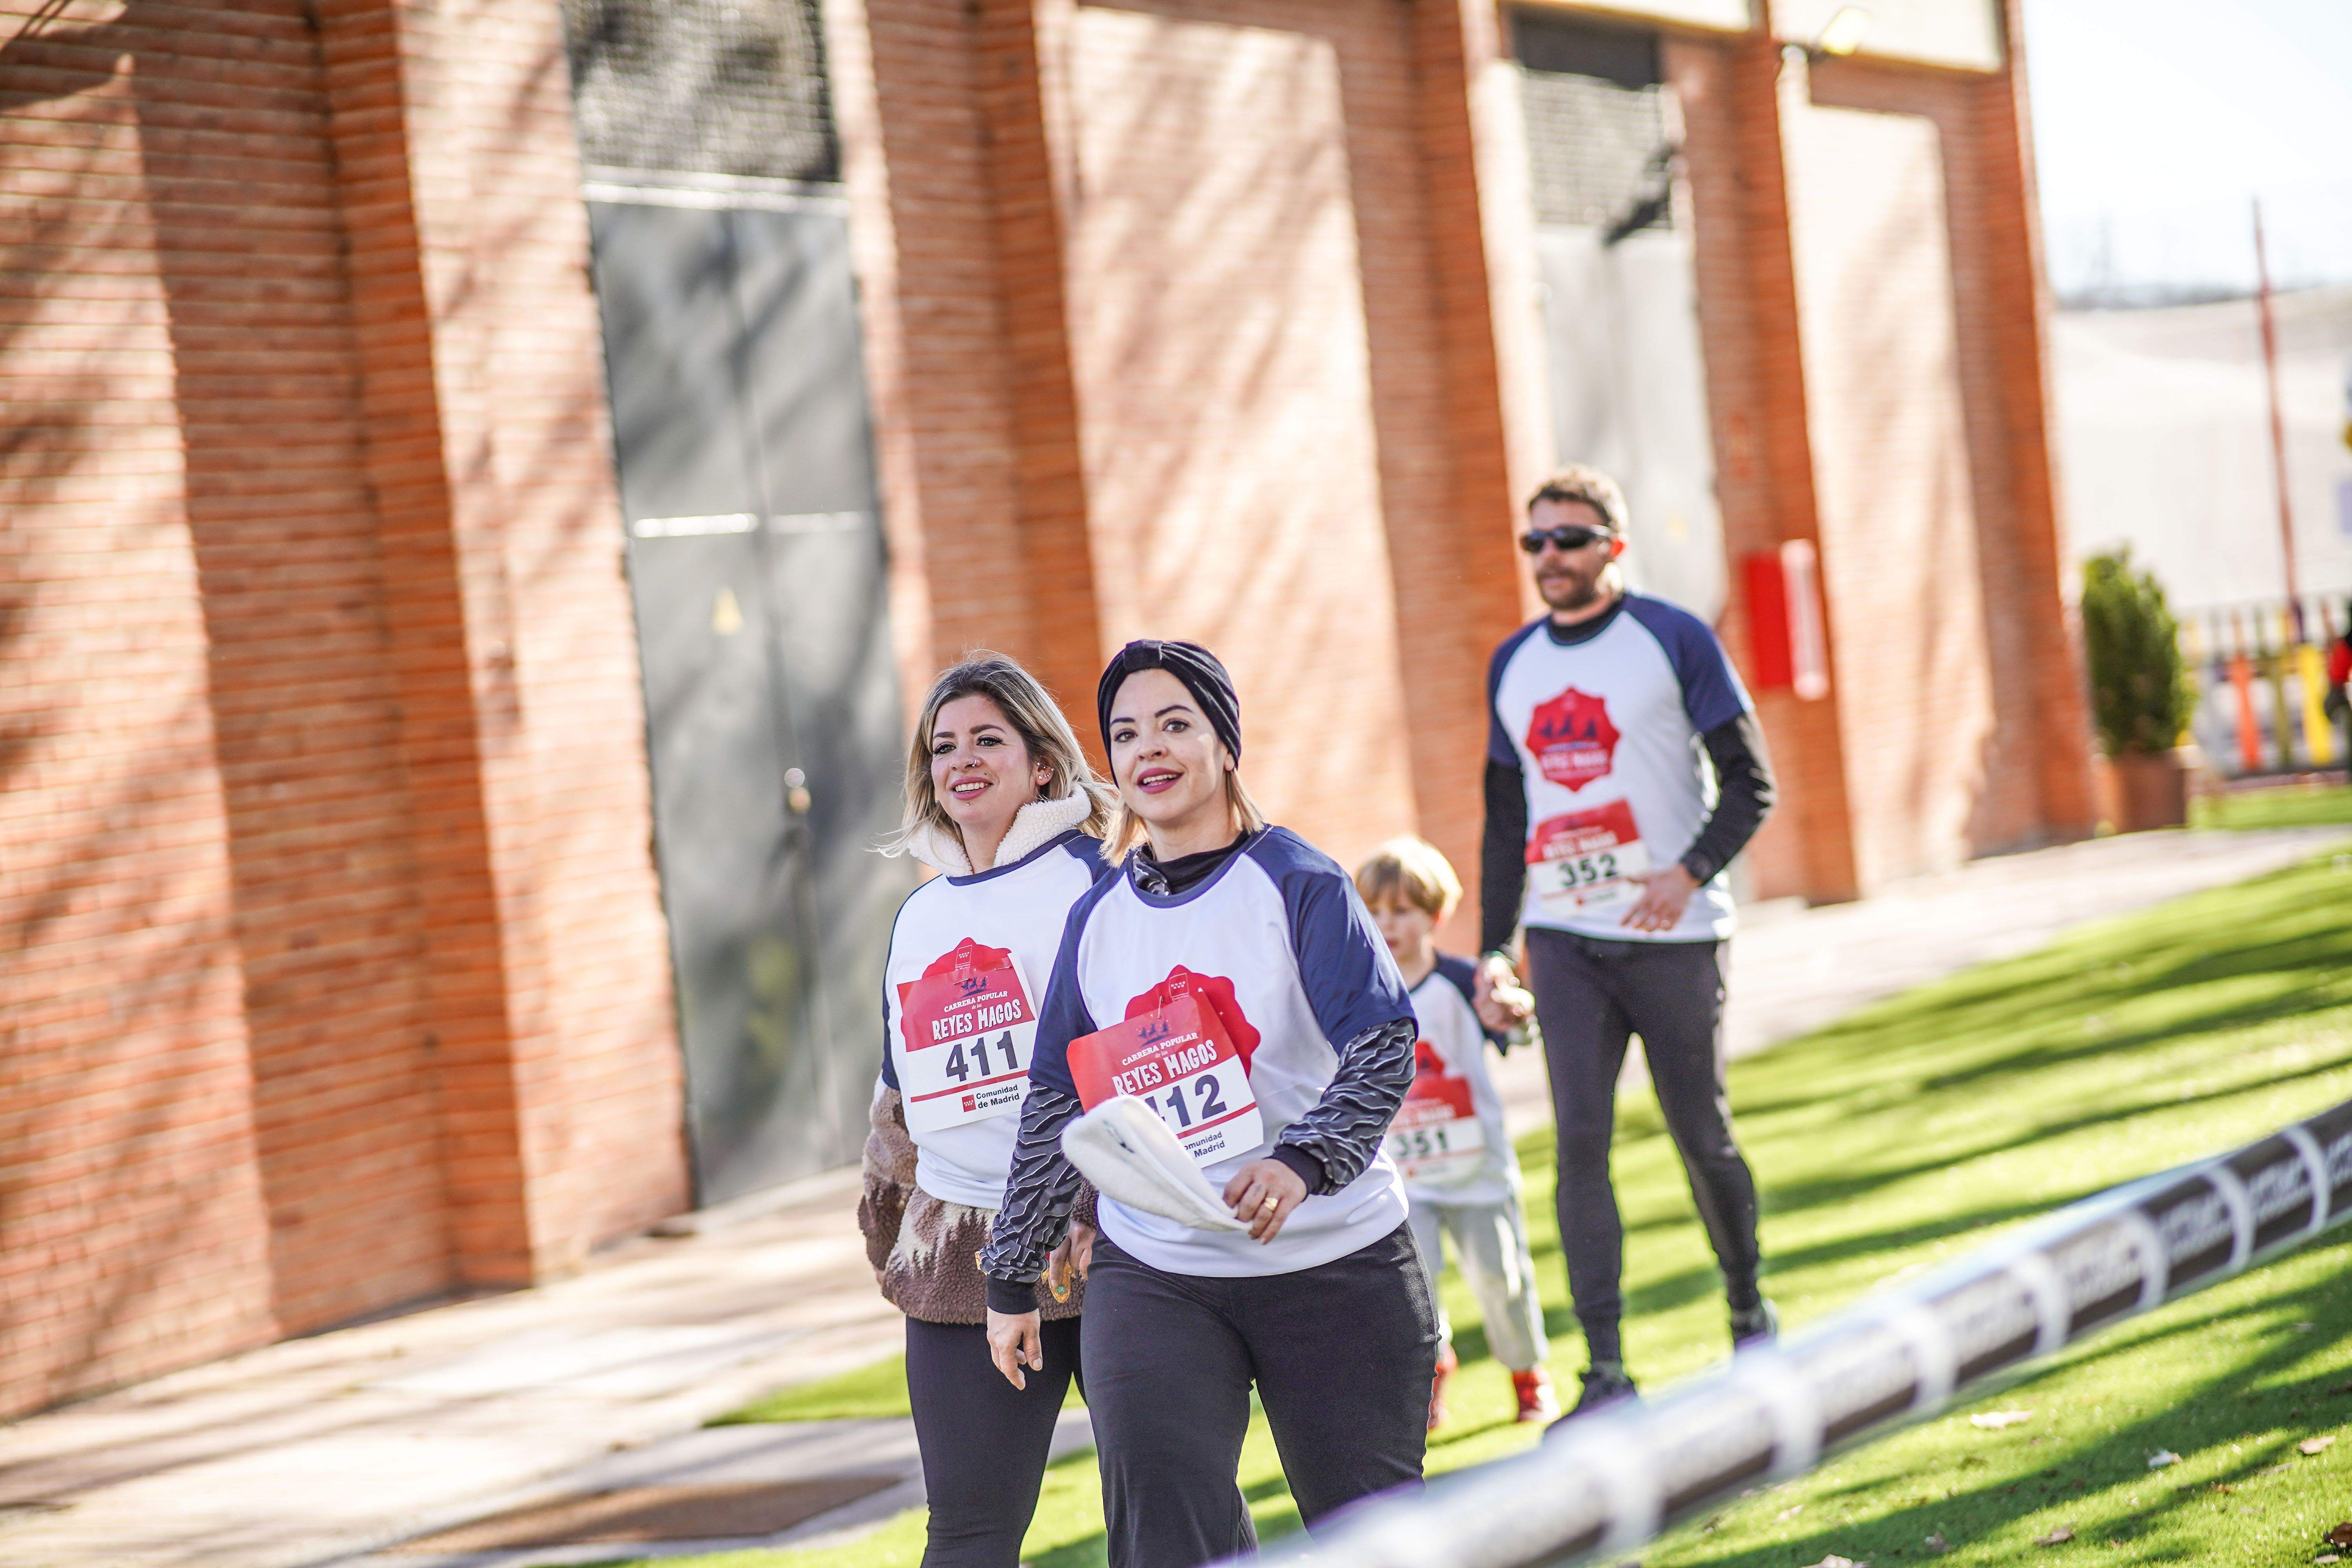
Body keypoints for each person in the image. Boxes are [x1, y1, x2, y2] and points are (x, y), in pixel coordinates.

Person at [978, 640, 1436, 1568]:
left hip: (1333, 1264)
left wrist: (1302, 1159)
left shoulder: (1298, 881)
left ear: (1225, 743)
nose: (1150, 747)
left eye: (1176, 723)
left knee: (1373, 1542)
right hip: (1159, 1270)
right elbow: (1053, 1098)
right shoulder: (1098, 916)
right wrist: (1010, 1271)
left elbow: (1386, 1044)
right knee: (1160, 1534)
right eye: (1126, 732)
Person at [1474, 465, 1778, 1418]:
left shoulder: (1673, 636)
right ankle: (1605, 1372)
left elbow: (1751, 783)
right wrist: (1495, 948)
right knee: (1580, 1144)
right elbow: (1503, 817)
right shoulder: (1512, 662)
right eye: (1536, 542)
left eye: (1569, 538)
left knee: (1702, 1133)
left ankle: (1748, 1311)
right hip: (1566, 940)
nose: (1550, 557)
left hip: (1675, 931)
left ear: (1615, 544)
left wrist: (1687, 872)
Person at [858, 653, 1114, 1568]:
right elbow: (902, 1094)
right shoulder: (921, 915)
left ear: (1043, 761)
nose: (961, 759)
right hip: (963, 1250)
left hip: (1112, 1236)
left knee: (1175, 1515)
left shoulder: (1101, 884)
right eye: (942, 745)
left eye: (987, 739)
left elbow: (1132, 1065)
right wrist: (892, 1224)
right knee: (966, 1536)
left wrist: (1091, 1210)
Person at [1355, 836, 1558, 1428]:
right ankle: (1432, 1374)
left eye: (1402, 910)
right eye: (1376, 911)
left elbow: (1515, 1033)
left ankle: (1528, 1374)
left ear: (1435, 915)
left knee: (1502, 1277)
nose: (1387, 924)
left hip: (1477, 1168)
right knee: (1414, 1290)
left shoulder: (1466, 982)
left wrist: (1518, 1014)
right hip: (1402, 1176)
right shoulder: (1360, 993)